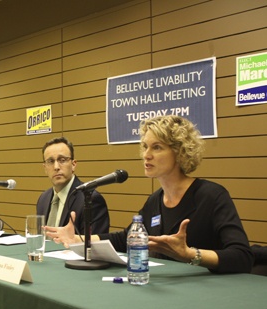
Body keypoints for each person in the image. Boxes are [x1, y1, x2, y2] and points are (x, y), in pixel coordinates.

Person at [46, 116, 254, 273]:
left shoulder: (212, 196)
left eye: (157, 147)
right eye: (145, 147)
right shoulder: (155, 200)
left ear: (180, 152)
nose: (146, 155)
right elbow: (125, 238)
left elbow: (242, 256)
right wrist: (81, 239)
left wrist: (190, 254)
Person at [37, 137, 110, 235]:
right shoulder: (43, 199)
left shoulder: (90, 199)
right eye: (50, 161)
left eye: (62, 160)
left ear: (73, 164)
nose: (56, 167)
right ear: (45, 168)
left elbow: (93, 246)